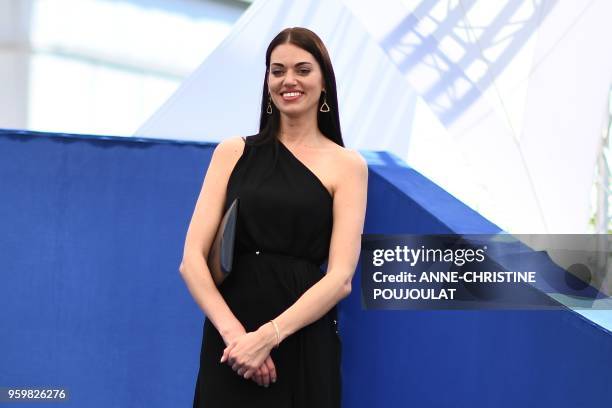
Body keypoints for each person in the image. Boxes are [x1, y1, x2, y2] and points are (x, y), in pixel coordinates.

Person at [179, 27, 368, 408]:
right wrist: (238, 338)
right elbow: (191, 263)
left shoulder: (348, 166)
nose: (289, 81)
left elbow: (341, 278)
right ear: (267, 81)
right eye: (277, 70)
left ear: (324, 82)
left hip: (302, 334)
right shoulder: (232, 152)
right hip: (230, 338)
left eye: (302, 69)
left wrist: (268, 336)